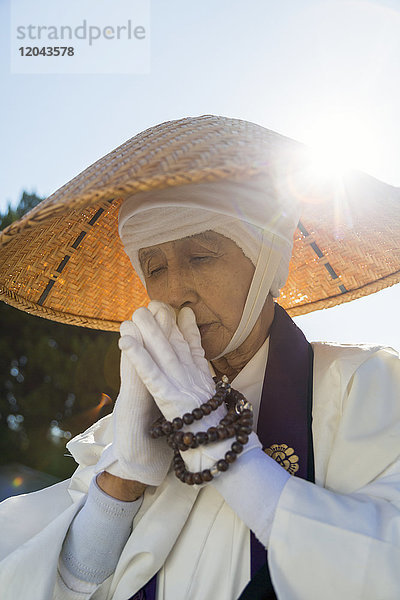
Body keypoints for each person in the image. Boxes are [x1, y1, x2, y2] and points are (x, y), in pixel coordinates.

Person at [0, 115, 400, 600]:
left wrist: (224, 448)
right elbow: (58, 584)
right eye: (155, 266)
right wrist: (122, 480)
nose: (175, 291)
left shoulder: (366, 387)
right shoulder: (121, 430)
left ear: (265, 261)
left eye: (201, 256)